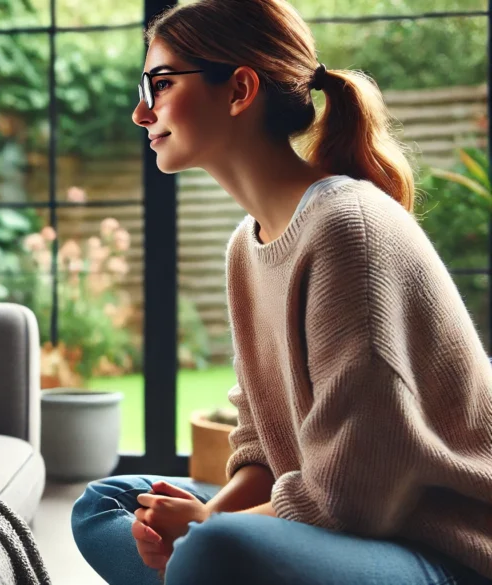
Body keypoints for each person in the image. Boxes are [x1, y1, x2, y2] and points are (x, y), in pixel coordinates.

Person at [69, 1, 492, 584]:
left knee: (216, 551)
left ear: (240, 89)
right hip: (334, 522)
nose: (142, 112)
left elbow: (355, 493)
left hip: (432, 548)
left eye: (161, 84)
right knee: (105, 505)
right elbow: (261, 445)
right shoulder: (247, 246)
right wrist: (208, 520)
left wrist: (205, 533)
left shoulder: (349, 228)